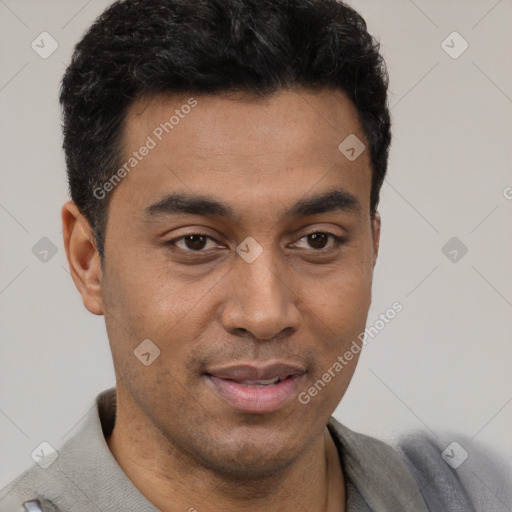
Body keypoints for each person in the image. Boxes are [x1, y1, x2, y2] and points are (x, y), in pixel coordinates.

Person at [1, 1, 510, 511]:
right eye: (195, 242)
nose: (264, 314)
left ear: (372, 249)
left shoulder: (466, 495)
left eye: (317, 240)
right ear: (89, 261)